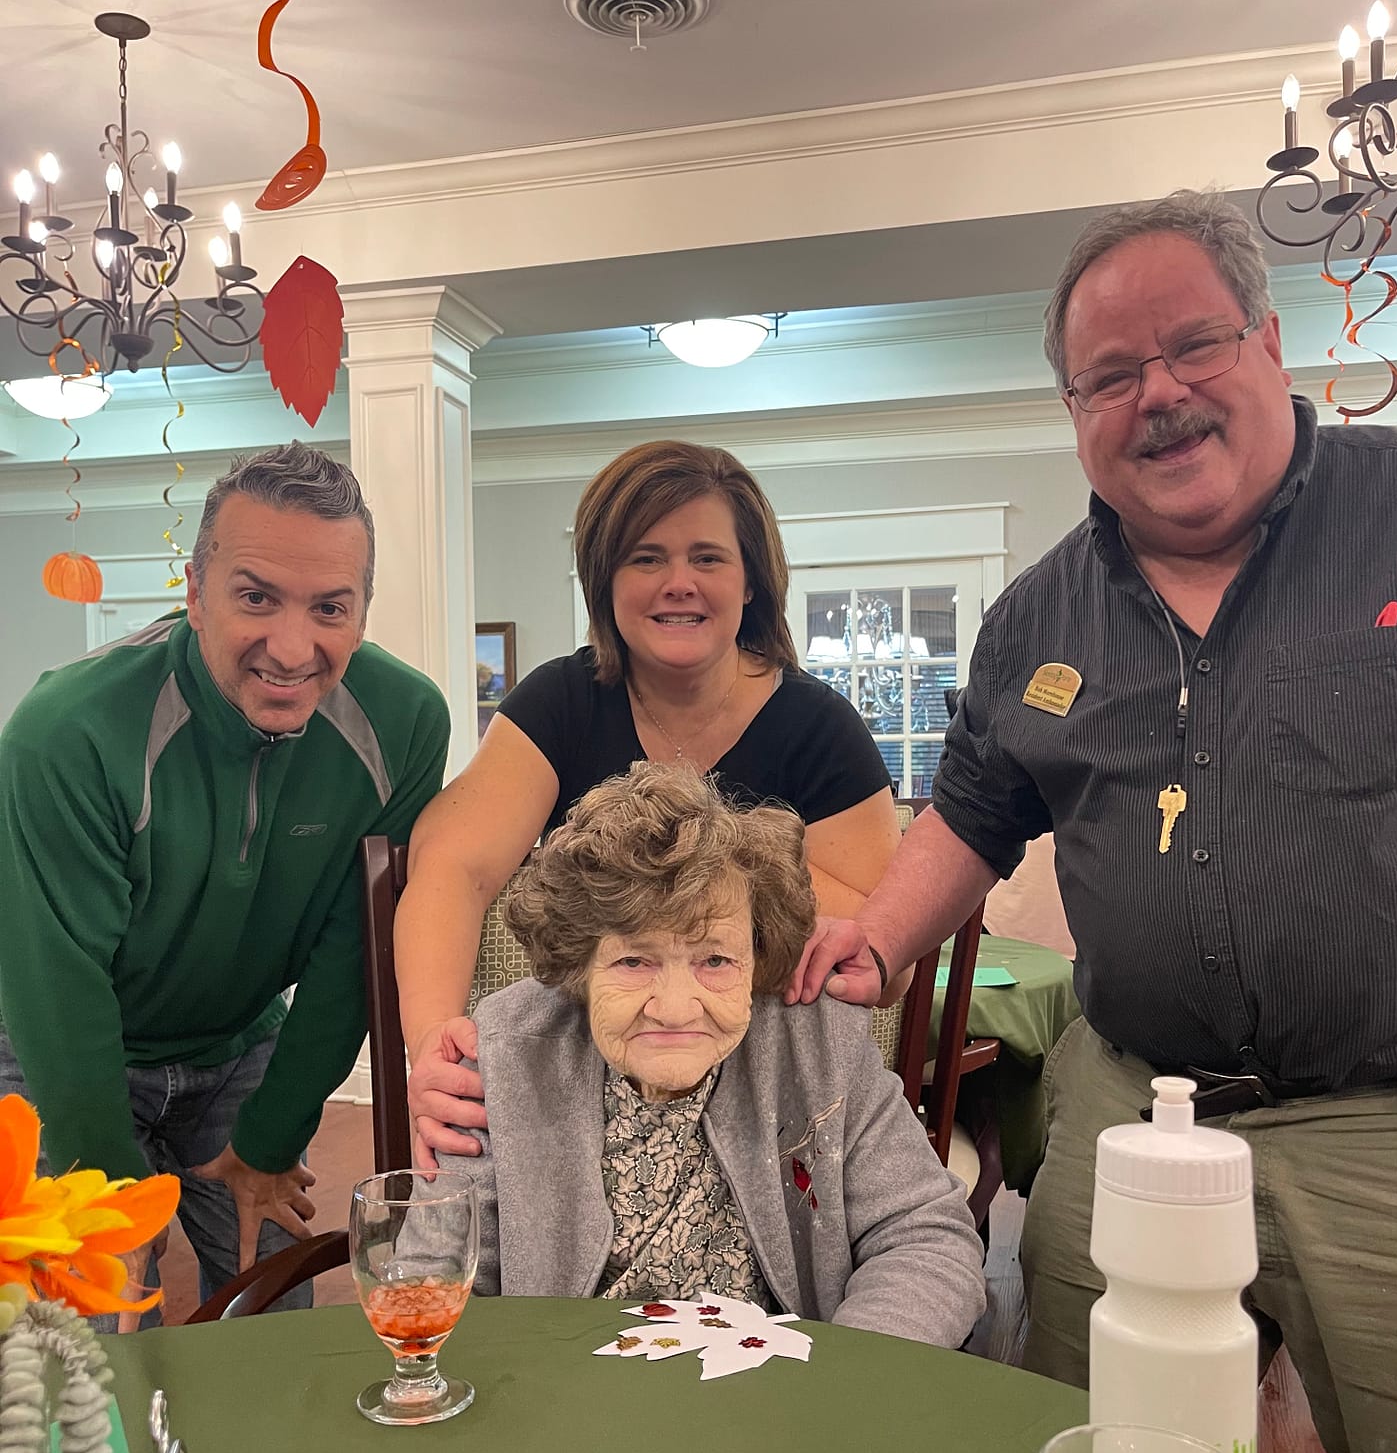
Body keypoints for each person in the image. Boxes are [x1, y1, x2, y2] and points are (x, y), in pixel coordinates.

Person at [789, 189, 1397, 1453]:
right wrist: (881, 940)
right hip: (1137, 1106)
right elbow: (975, 812)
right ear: (1075, 411)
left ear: (1269, 338)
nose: (1160, 395)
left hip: (1396, 1122)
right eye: (1110, 376)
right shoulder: (1036, 617)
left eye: (1193, 344)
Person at [0, 442, 449, 1320]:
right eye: (256, 598)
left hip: (240, 1042)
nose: (292, 647)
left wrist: (272, 1138)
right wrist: (113, 1188)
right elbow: (58, 983)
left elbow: (351, 952)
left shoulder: (404, 723)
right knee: (85, 1322)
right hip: (60, 1044)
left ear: (362, 613)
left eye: (330, 608)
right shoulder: (65, 732)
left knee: (272, 1293)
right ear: (196, 592)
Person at [399, 439, 901, 1169]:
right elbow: (450, 867)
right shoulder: (559, 704)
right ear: (604, 581)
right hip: (579, 1100)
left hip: (771, 1104)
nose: (678, 583)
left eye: (708, 558)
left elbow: (888, 959)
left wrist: (698, 864)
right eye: (645, 558)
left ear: (751, 582)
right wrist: (431, 1048)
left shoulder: (820, 728)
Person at [435, 763, 983, 1345]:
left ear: (757, 953)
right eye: (633, 961)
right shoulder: (505, 1051)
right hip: (564, 1387)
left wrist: (842, 1379)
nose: (675, 1009)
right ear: (579, 964)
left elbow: (926, 1238)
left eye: (715, 960)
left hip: (791, 1387)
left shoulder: (817, 1038)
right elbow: (436, 1277)